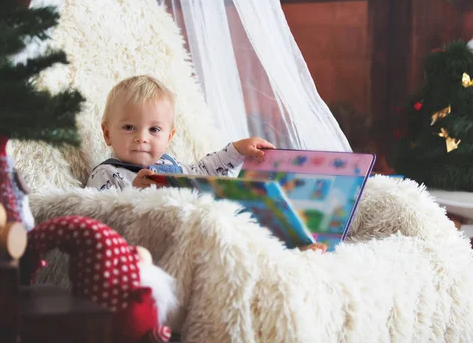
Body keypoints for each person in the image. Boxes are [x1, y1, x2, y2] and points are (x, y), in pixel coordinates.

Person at [87, 75, 326, 253]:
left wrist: (237, 150)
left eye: (154, 129)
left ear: (169, 137)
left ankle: (293, 247)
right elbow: (99, 219)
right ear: (107, 134)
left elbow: (203, 173)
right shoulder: (108, 174)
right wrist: (133, 196)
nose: (142, 137)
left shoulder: (170, 165)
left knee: (242, 218)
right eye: (129, 128)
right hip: (155, 247)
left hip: (194, 235)